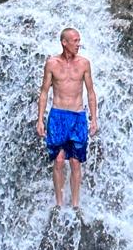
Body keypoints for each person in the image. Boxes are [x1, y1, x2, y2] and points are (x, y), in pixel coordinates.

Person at [36, 27, 98, 209]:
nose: (79, 44)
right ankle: (59, 203)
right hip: (58, 115)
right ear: (65, 42)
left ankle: (76, 204)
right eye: (76, 41)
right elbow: (44, 92)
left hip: (78, 116)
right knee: (58, 159)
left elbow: (91, 92)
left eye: (79, 40)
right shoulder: (52, 63)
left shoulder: (84, 63)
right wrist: (40, 119)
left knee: (76, 161)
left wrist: (94, 118)